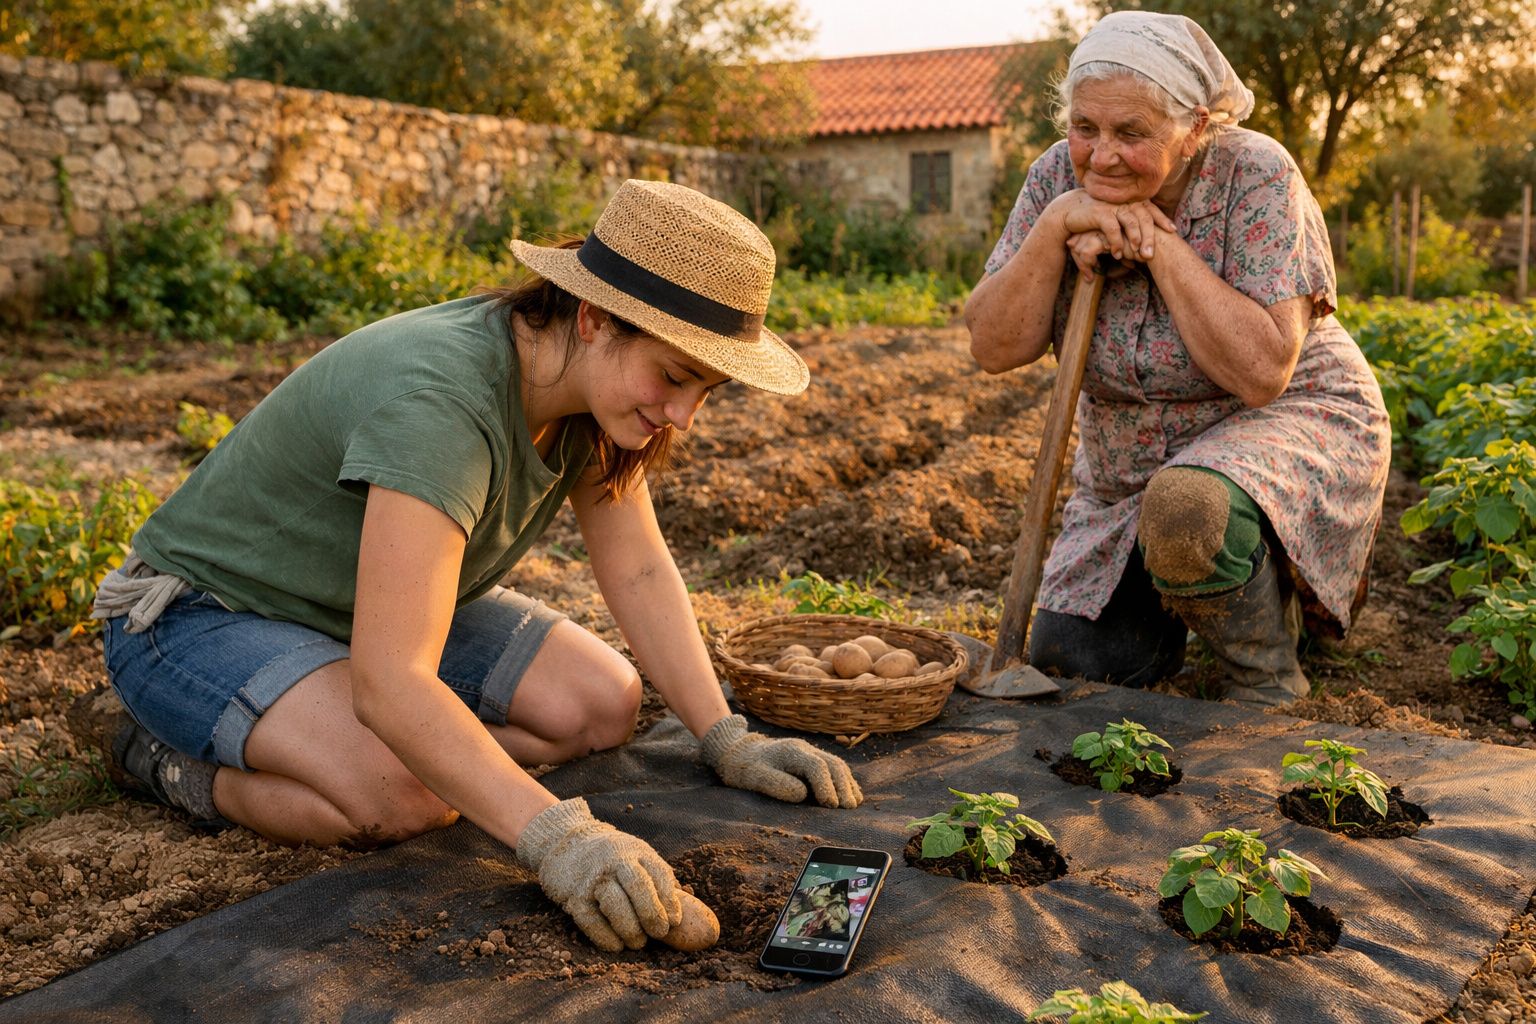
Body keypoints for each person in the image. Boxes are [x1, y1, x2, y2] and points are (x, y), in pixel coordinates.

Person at [81, 179, 863, 953]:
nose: (684, 415)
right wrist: (557, 838)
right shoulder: (443, 404)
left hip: (345, 608)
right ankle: (156, 759)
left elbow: (639, 571)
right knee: (400, 797)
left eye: (708, 390)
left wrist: (726, 736)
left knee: (603, 702)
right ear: (593, 318)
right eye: (676, 376)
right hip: (199, 616)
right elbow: (392, 684)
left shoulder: (586, 396)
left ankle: (359, 738)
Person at [965, 12, 1390, 705]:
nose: (1101, 156)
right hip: (1129, 458)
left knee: (1190, 508)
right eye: (1085, 128)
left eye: (1132, 133)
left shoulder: (1254, 173)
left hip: (1282, 419)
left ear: (1194, 128)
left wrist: (1160, 245)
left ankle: (1266, 678)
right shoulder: (1054, 178)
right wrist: (1055, 226)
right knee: (1074, 658)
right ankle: (1198, 584)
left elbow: (1261, 373)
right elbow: (992, 347)